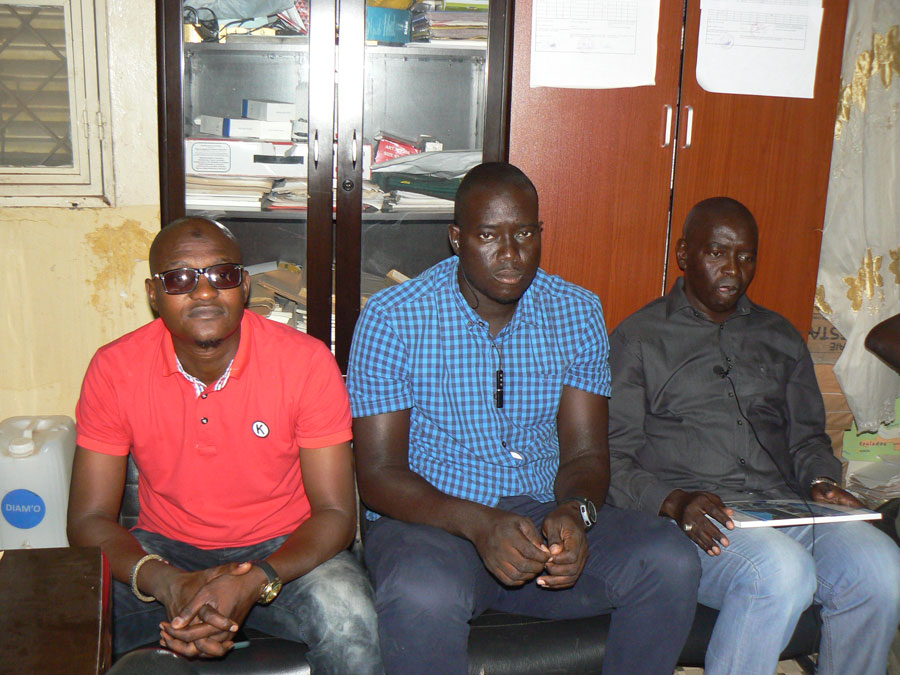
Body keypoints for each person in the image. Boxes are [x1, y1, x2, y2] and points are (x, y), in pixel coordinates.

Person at [346, 162, 701, 675]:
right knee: (422, 593)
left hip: (541, 514)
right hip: (433, 523)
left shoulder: (575, 311)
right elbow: (379, 476)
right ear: (456, 238)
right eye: (488, 235)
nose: (510, 254)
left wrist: (576, 512)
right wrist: (479, 524)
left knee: (669, 559)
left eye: (525, 234)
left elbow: (586, 454)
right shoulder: (394, 317)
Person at [67, 217, 382, 672]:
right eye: (180, 278)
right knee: (62, 615)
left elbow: (336, 514)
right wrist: (168, 583)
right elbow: (87, 519)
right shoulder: (115, 368)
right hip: (164, 551)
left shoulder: (306, 363)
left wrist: (254, 581)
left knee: (351, 619)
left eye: (223, 275)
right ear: (154, 294)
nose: (204, 292)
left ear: (245, 286)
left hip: (283, 552)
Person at [607, 196, 900, 675]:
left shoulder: (780, 336)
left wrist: (821, 481)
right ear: (683, 254)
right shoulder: (638, 339)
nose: (733, 269)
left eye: (746, 256)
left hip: (784, 509)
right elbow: (611, 460)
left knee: (882, 566)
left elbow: (808, 440)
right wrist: (674, 501)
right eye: (716, 253)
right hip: (694, 521)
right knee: (780, 572)